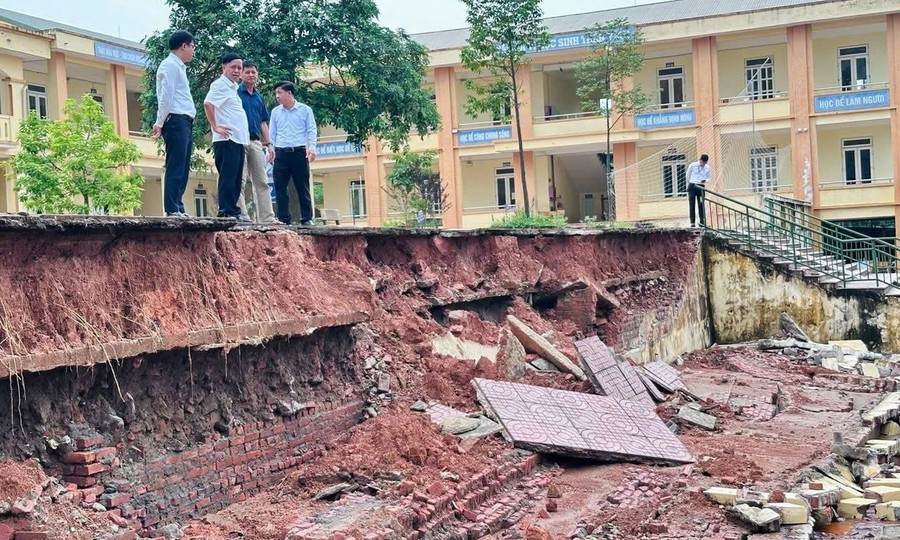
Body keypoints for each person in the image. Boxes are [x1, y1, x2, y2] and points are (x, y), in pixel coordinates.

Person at [153, 30, 196, 217]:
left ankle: (178, 205)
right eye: (192, 46)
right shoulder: (169, 65)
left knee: (184, 165)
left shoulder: (179, 67)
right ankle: (172, 208)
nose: (194, 51)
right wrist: (159, 122)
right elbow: (166, 96)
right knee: (176, 164)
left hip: (184, 120)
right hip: (176, 119)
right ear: (183, 46)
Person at [204, 52, 250, 220]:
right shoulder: (220, 85)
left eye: (239, 67)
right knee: (228, 177)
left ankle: (233, 209)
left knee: (237, 178)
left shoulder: (233, 87)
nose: (237, 70)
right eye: (233, 67)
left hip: (237, 139)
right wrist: (215, 126)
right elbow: (208, 104)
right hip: (226, 139)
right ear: (224, 67)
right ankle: (225, 210)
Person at [268, 82, 317, 225]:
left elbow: (311, 129)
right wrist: (270, 150)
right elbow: (272, 133)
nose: (277, 96)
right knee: (280, 187)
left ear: (289, 93)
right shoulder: (275, 112)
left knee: (302, 186)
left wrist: (312, 147)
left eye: (280, 92)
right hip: (280, 153)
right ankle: (284, 219)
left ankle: (307, 218)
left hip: (299, 152)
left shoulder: (305, 110)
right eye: (276, 93)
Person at [236, 62, 278, 223]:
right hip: (239, 141)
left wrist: (269, 144)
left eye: (254, 72)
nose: (251, 75)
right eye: (247, 72)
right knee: (239, 180)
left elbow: (263, 123)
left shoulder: (259, 97)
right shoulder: (235, 93)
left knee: (262, 181)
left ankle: (267, 218)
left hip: (255, 142)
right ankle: (242, 215)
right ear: (241, 75)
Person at [687, 153, 711, 227]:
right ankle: (692, 222)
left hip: (701, 187)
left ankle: (702, 221)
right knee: (692, 204)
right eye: (701, 161)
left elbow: (709, 178)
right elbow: (687, 175)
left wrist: (705, 180)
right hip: (692, 186)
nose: (702, 163)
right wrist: (688, 184)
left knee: (701, 204)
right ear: (699, 160)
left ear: (706, 162)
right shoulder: (693, 165)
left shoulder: (707, 167)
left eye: (704, 162)